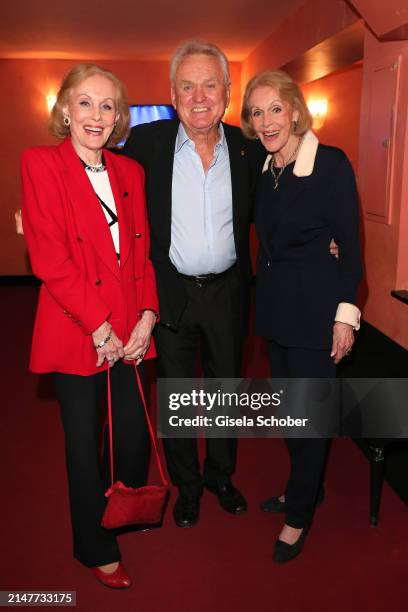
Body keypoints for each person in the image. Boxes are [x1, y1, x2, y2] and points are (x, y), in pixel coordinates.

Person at [20, 64, 159, 588]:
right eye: (85, 103)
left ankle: (122, 511)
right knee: (83, 445)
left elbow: (142, 253)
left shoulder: (131, 173)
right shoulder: (41, 164)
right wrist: (100, 328)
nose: (96, 115)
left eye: (107, 106)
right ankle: (94, 546)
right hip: (77, 328)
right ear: (65, 110)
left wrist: (147, 317)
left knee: (129, 434)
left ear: (119, 116)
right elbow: (51, 261)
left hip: (129, 330)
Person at [122, 40, 264, 528]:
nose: (198, 96)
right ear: (172, 93)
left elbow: (281, 204)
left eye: (209, 84)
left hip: (228, 291)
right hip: (171, 292)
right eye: (187, 85)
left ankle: (220, 476)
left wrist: (325, 240)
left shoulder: (249, 150)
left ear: (227, 92)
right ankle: (187, 487)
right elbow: (102, 188)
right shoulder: (145, 145)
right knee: (180, 395)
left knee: (226, 390)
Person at [241, 70, 362, 562]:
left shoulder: (329, 163)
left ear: (294, 109)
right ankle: (304, 487)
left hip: (316, 314)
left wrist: (345, 316)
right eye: (256, 112)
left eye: (275, 108)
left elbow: (351, 248)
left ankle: (299, 515)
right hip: (276, 312)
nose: (266, 120)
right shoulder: (264, 169)